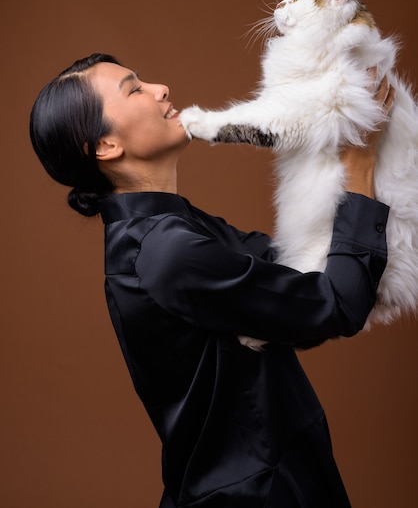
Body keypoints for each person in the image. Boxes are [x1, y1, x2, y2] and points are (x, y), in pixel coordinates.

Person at [30, 53, 394, 507]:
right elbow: (336, 303)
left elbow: (293, 271)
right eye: (135, 89)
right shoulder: (168, 252)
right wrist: (359, 164)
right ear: (105, 146)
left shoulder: (169, 230)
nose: (161, 88)